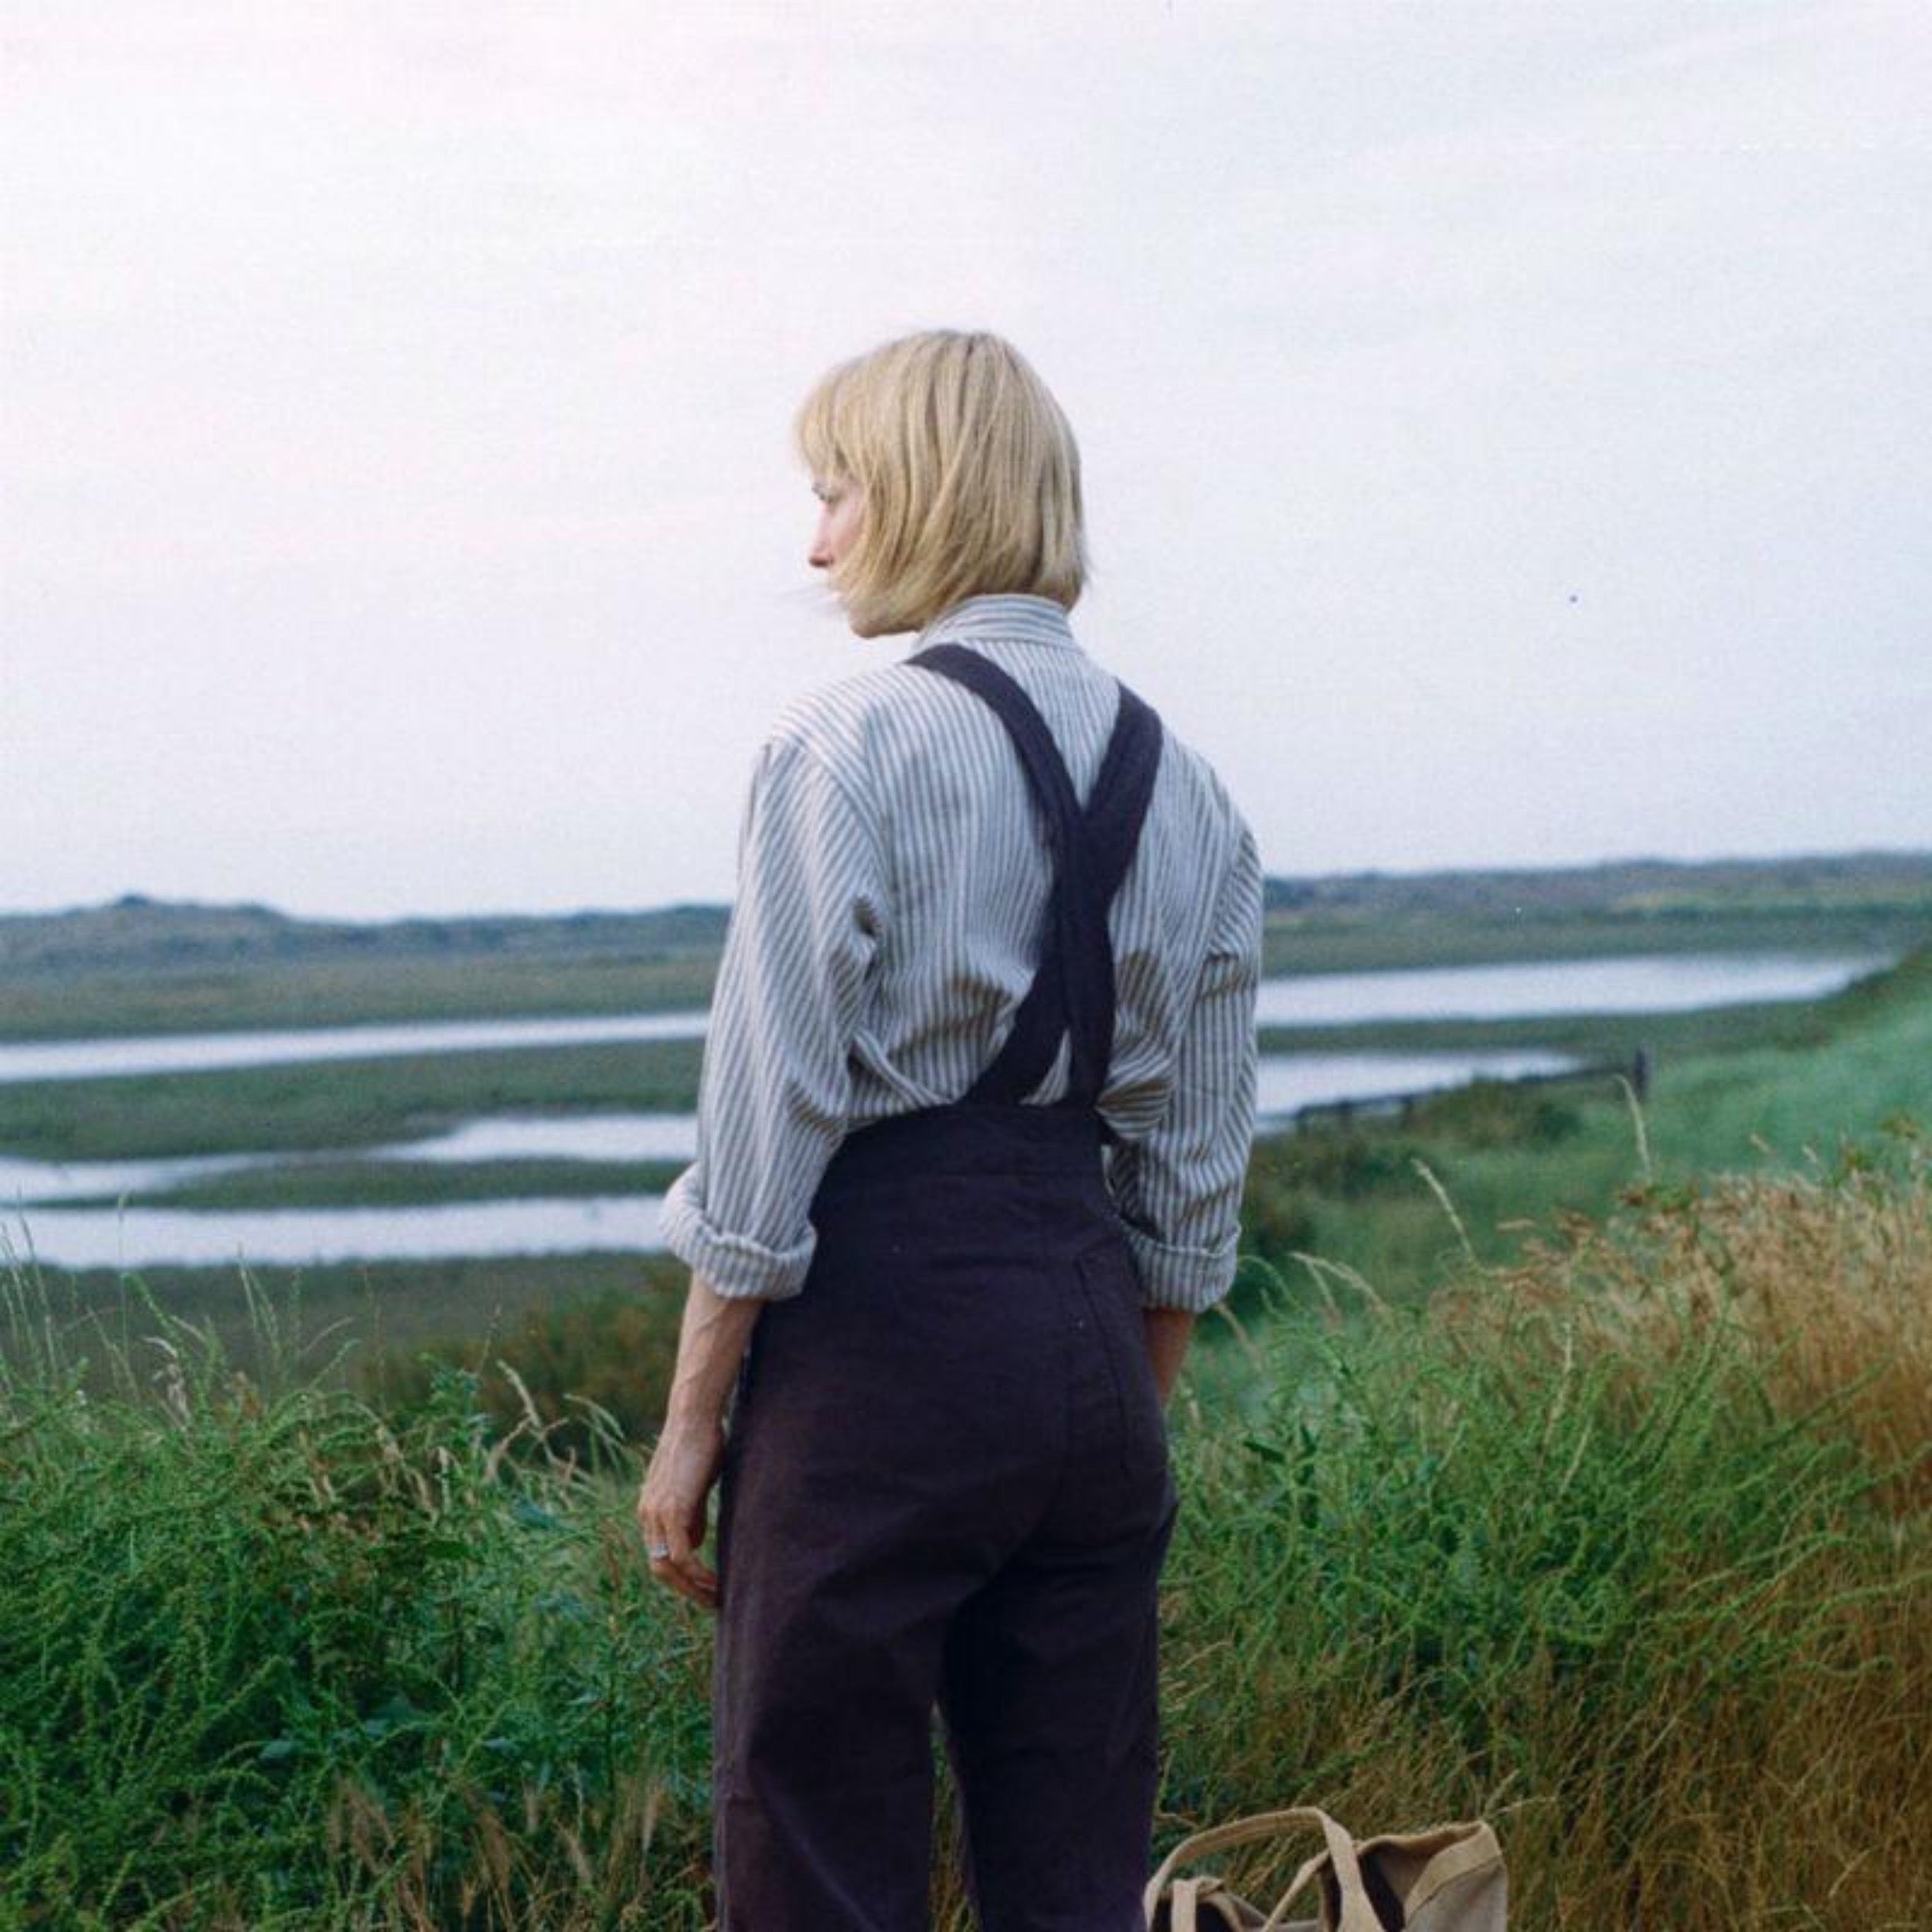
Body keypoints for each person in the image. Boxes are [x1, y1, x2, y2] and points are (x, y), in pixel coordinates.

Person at [635, 328, 1262, 1932]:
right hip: (1087, 1346)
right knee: (1072, 1881)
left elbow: (766, 1121)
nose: (816, 538)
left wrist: (697, 1414)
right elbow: (1189, 1182)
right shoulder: (1191, 789)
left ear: (917, 493)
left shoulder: (842, 744)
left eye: (836, 489)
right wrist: (1112, 1407)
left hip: (875, 1352)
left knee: (816, 1855)